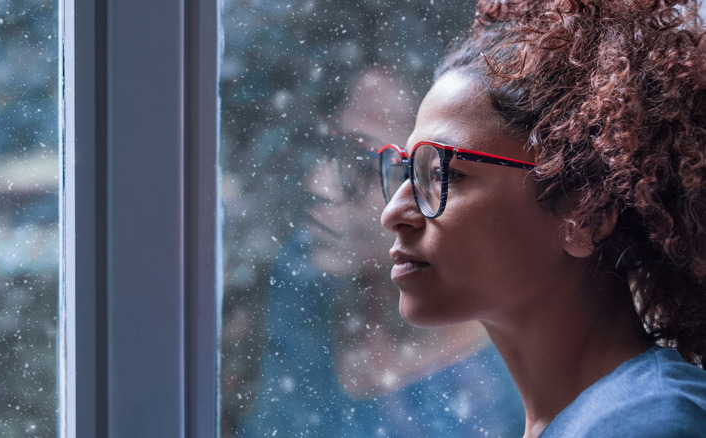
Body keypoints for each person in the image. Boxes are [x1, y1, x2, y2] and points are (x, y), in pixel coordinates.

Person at [378, 0, 706, 436]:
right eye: (406, 172)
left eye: (442, 174)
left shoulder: (645, 421)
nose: (393, 214)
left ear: (585, 211)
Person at [236, 67, 524, 437]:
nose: (318, 184)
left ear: (440, 181)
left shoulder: (496, 388)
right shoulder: (303, 281)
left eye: (362, 168)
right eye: (330, 152)